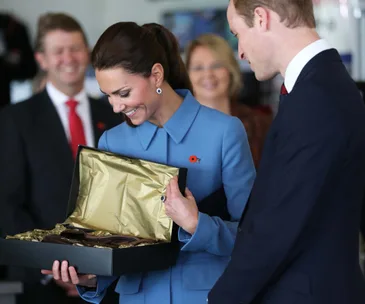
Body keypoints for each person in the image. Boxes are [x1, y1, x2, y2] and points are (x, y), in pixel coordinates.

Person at [44, 21, 256, 304]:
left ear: (156, 75)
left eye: (123, 93)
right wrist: (91, 276)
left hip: (208, 296)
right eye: (108, 96)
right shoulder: (112, 142)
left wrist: (197, 224)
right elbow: (112, 243)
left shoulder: (224, 132)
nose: (116, 107)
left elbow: (254, 237)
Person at [207, 0, 365, 303]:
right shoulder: (323, 84)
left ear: (262, 18)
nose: (239, 51)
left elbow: (276, 228)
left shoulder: (316, 99)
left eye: (238, 33)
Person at [0, 13, 121, 304]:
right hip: (44, 283)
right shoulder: (16, 119)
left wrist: (101, 270)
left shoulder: (115, 114)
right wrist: (52, 267)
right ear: (42, 59)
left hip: (110, 279)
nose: (68, 58)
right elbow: (8, 201)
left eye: (75, 48)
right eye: (58, 51)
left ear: (88, 53)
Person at [185, 33, 272, 167]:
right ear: (187, 75)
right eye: (198, 68)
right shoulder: (174, 128)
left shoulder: (260, 124)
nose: (208, 74)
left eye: (216, 66)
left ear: (230, 71)